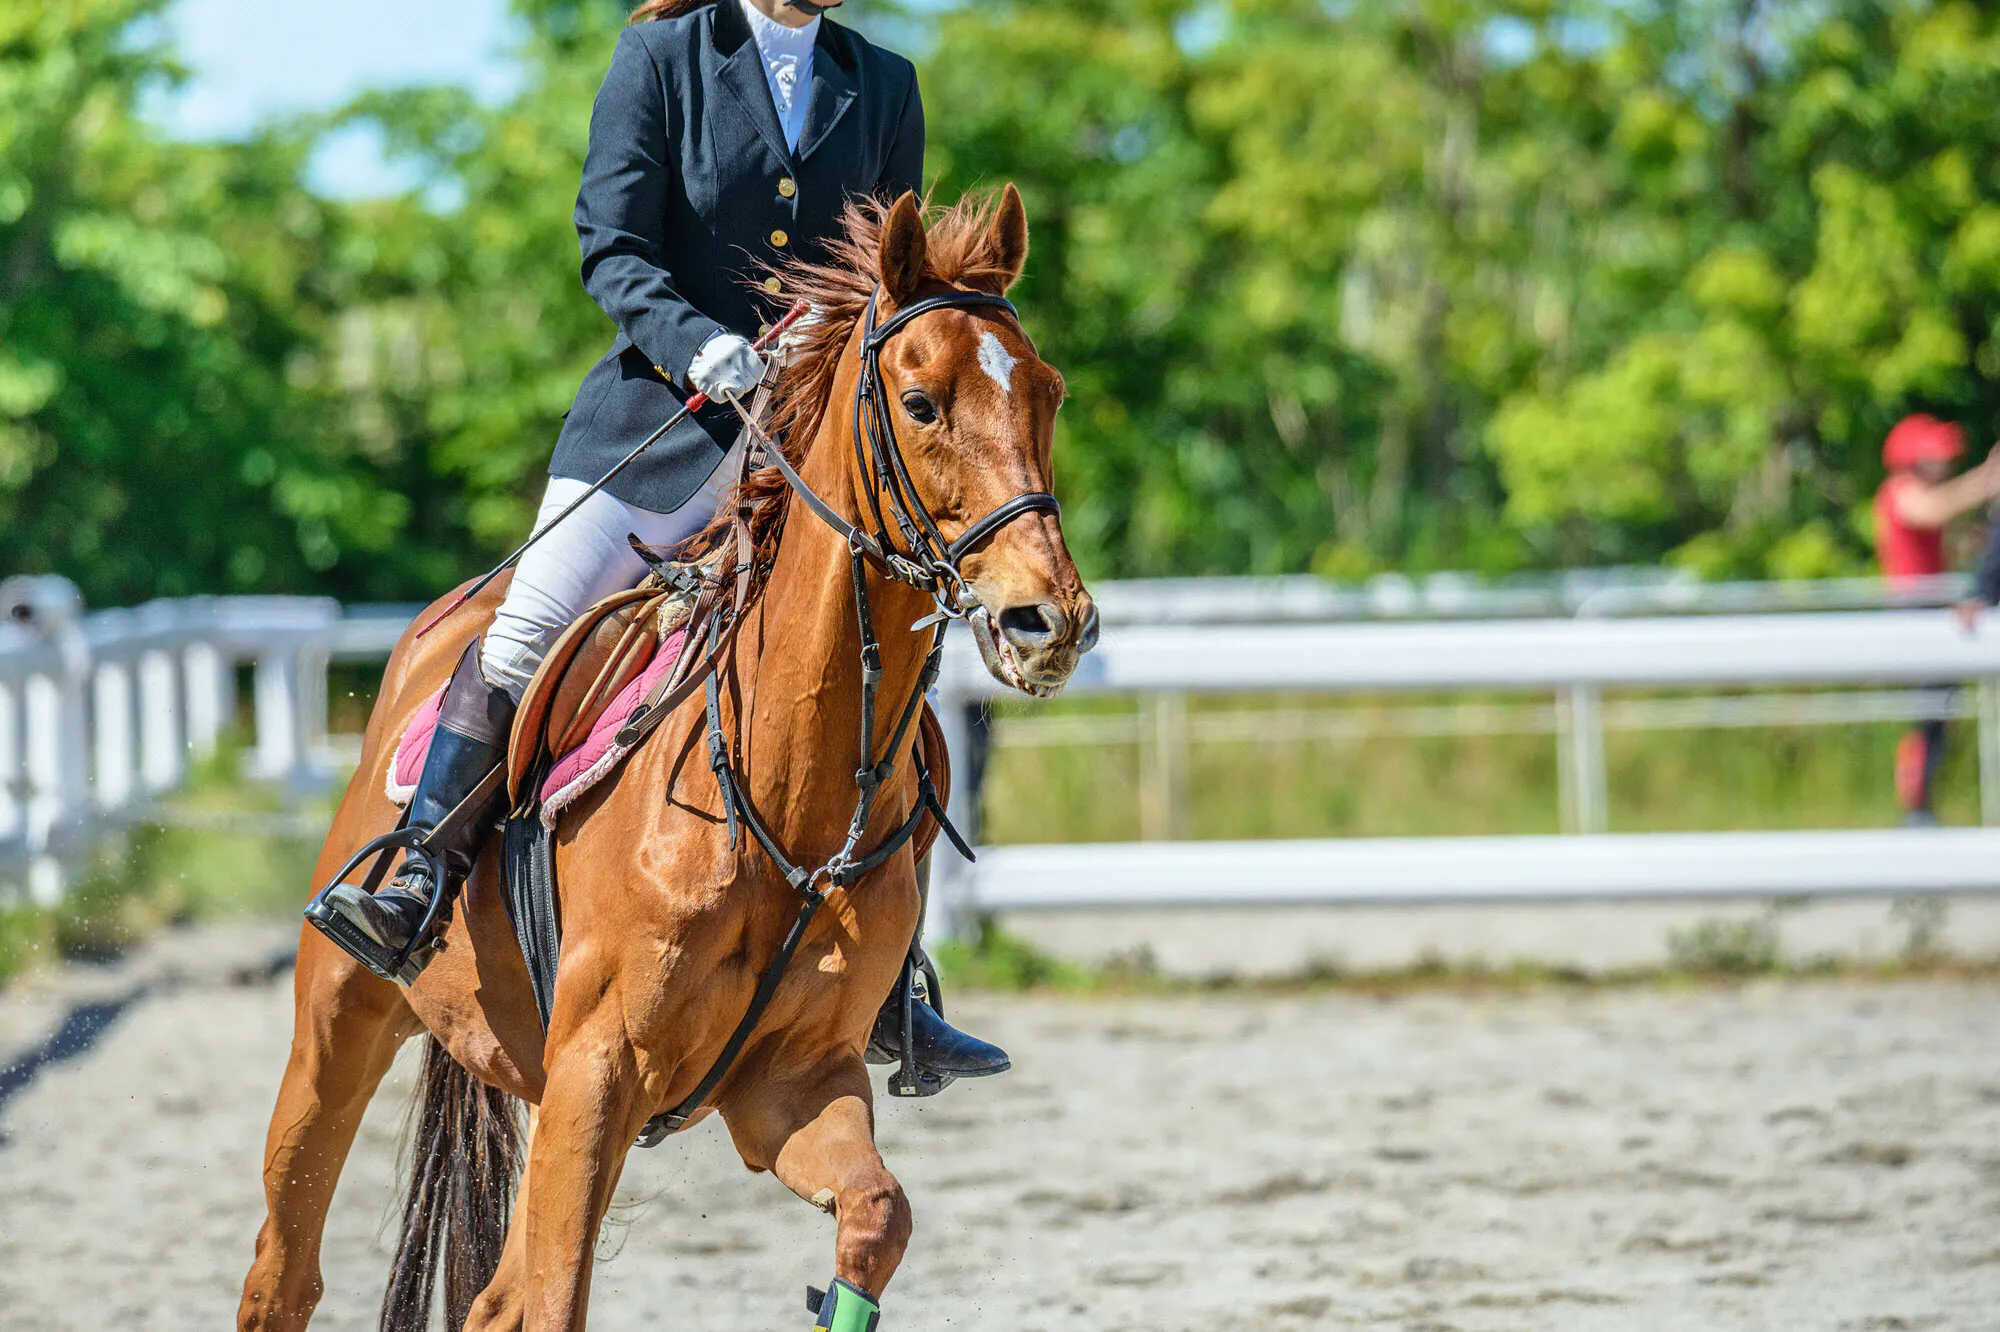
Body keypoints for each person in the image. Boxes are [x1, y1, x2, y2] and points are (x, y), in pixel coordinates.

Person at [313, 0, 1009, 1086]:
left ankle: (892, 983)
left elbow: (896, 284)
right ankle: (416, 878)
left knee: (876, 680)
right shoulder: (664, 59)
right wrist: (701, 347)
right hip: (663, 429)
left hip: (810, 453)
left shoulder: (882, 83)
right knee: (532, 619)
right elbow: (615, 246)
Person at [1872, 413, 2000, 823]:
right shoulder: (1900, 491)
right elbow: (1932, 510)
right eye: (1936, 457)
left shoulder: (1917, 492)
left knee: (1936, 718)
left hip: (1929, 612)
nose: (1945, 464)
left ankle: (1922, 806)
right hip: (1914, 614)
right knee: (1926, 717)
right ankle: (1916, 809)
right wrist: (1986, 481)